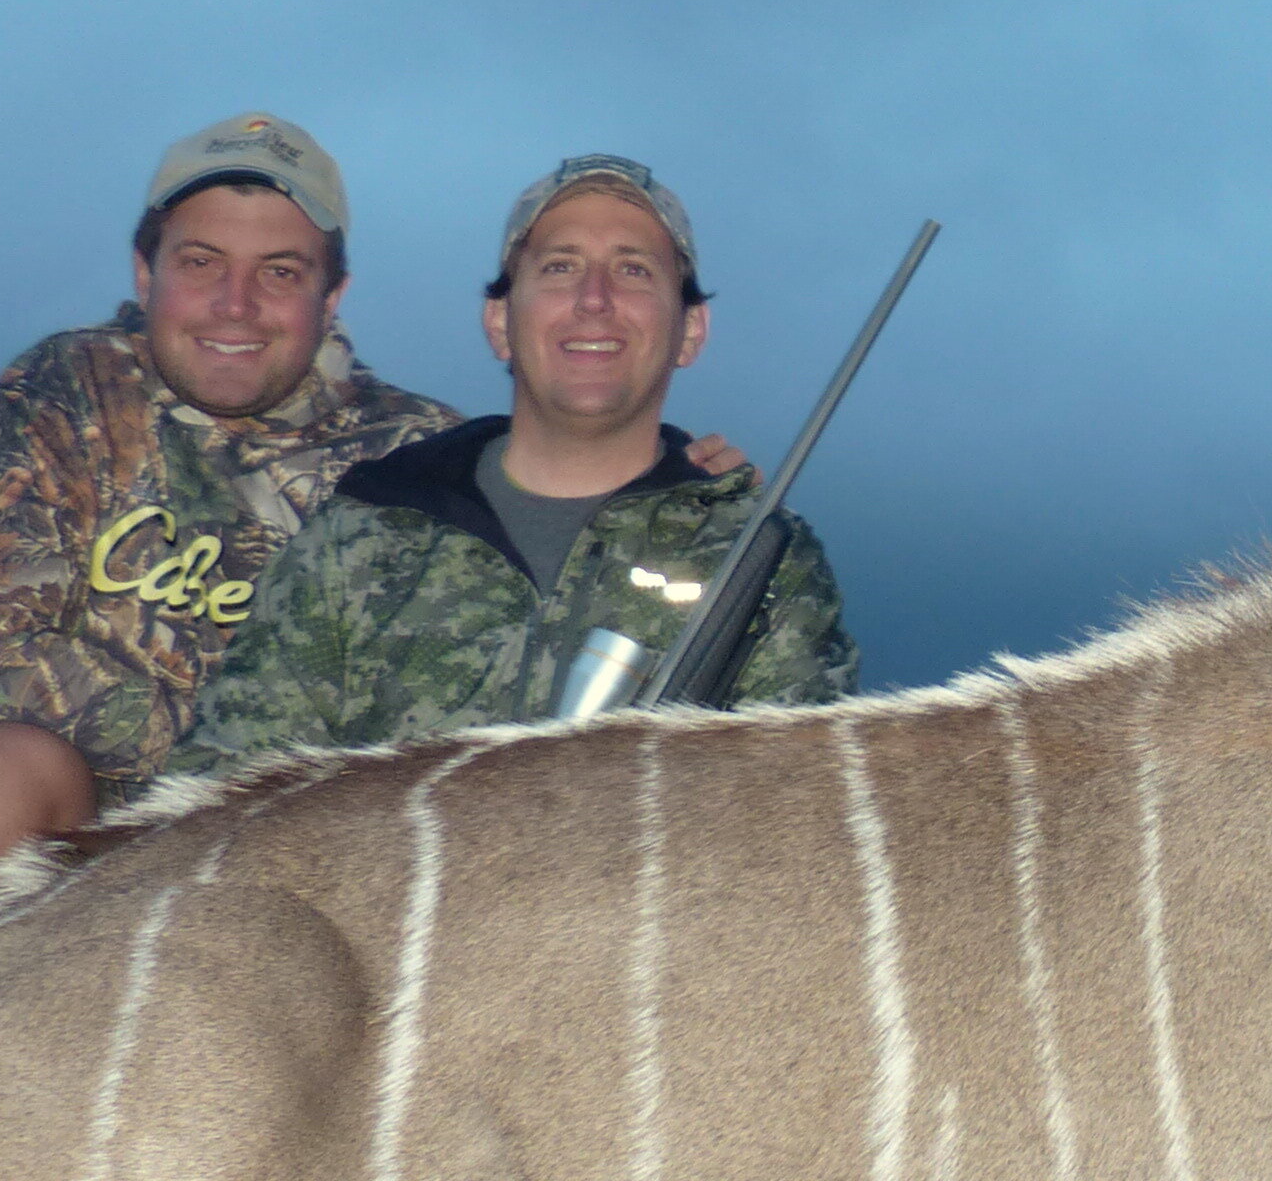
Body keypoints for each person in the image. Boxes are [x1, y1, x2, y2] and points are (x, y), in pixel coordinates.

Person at [0, 114, 460, 952]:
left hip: (313, 857)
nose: (237, 305)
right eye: (201, 264)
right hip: (94, 835)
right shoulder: (68, 391)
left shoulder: (425, 454)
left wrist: (691, 479)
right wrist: (217, 755)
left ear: (330, 297)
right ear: (144, 270)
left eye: (280, 272)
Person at [178, 153, 855, 767]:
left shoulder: (764, 564)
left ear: (691, 332)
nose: (594, 300)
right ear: (500, 322)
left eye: (633, 270)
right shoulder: (364, 535)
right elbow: (228, 785)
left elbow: (800, 821)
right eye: (559, 267)